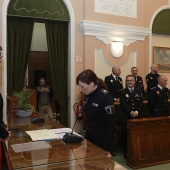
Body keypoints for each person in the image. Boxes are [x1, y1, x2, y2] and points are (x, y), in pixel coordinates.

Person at [76, 69, 115, 158]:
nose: (80, 90)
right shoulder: (89, 95)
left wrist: (109, 149)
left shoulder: (105, 97)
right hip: (90, 137)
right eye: (79, 86)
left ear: (92, 84)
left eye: (82, 87)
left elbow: (111, 124)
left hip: (102, 140)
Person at [119, 75, 143, 159]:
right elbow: (123, 104)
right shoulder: (122, 92)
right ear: (126, 82)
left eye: (131, 80)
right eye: (128, 80)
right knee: (126, 135)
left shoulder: (138, 91)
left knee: (137, 135)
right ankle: (126, 152)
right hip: (126, 117)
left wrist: (136, 112)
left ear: (134, 82)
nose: (129, 82)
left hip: (137, 117)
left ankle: (137, 151)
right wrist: (131, 112)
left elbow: (140, 103)